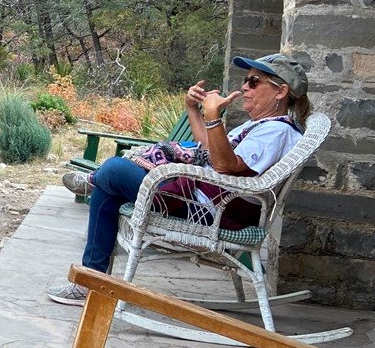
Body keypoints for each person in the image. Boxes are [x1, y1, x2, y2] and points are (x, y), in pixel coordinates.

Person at [46, 53, 311, 305]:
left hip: (209, 210)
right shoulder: (262, 125)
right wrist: (193, 110)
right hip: (200, 199)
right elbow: (210, 150)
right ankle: (91, 281)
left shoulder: (276, 132)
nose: (245, 88)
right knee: (108, 189)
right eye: (245, 80)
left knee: (114, 170)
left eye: (254, 81)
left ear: (281, 91)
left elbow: (225, 165)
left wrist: (213, 117)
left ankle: (92, 187)